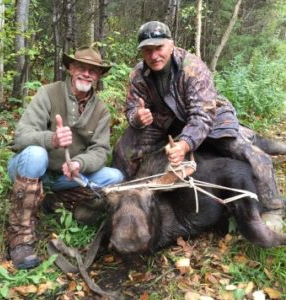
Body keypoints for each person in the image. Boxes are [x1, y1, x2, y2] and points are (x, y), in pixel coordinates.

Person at [112, 21, 284, 234]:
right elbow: (130, 109)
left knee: (249, 153)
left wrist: (184, 144)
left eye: (159, 48)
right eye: (148, 50)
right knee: (124, 146)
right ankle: (121, 196)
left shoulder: (192, 67)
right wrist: (137, 117)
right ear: (142, 52)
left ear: (171, 45)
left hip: (211, 117)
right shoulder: (139, 75)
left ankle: (272, 207)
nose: (154, 55)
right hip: (166, 120)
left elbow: (202, 116)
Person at [7, 45, 124, 269]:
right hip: (31, 170)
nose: (87, 73)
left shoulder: (100, 110)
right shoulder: (48, 93)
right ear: (71, 68)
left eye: (93, 70)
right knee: (36, 154)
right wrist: (51, 139)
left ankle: (53, 202)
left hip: (65, 177)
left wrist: (80, 163)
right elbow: (20, 138)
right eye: (81, 67)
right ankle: (20, 238)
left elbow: (100, 151)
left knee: (114, 176)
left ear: (98, 76)